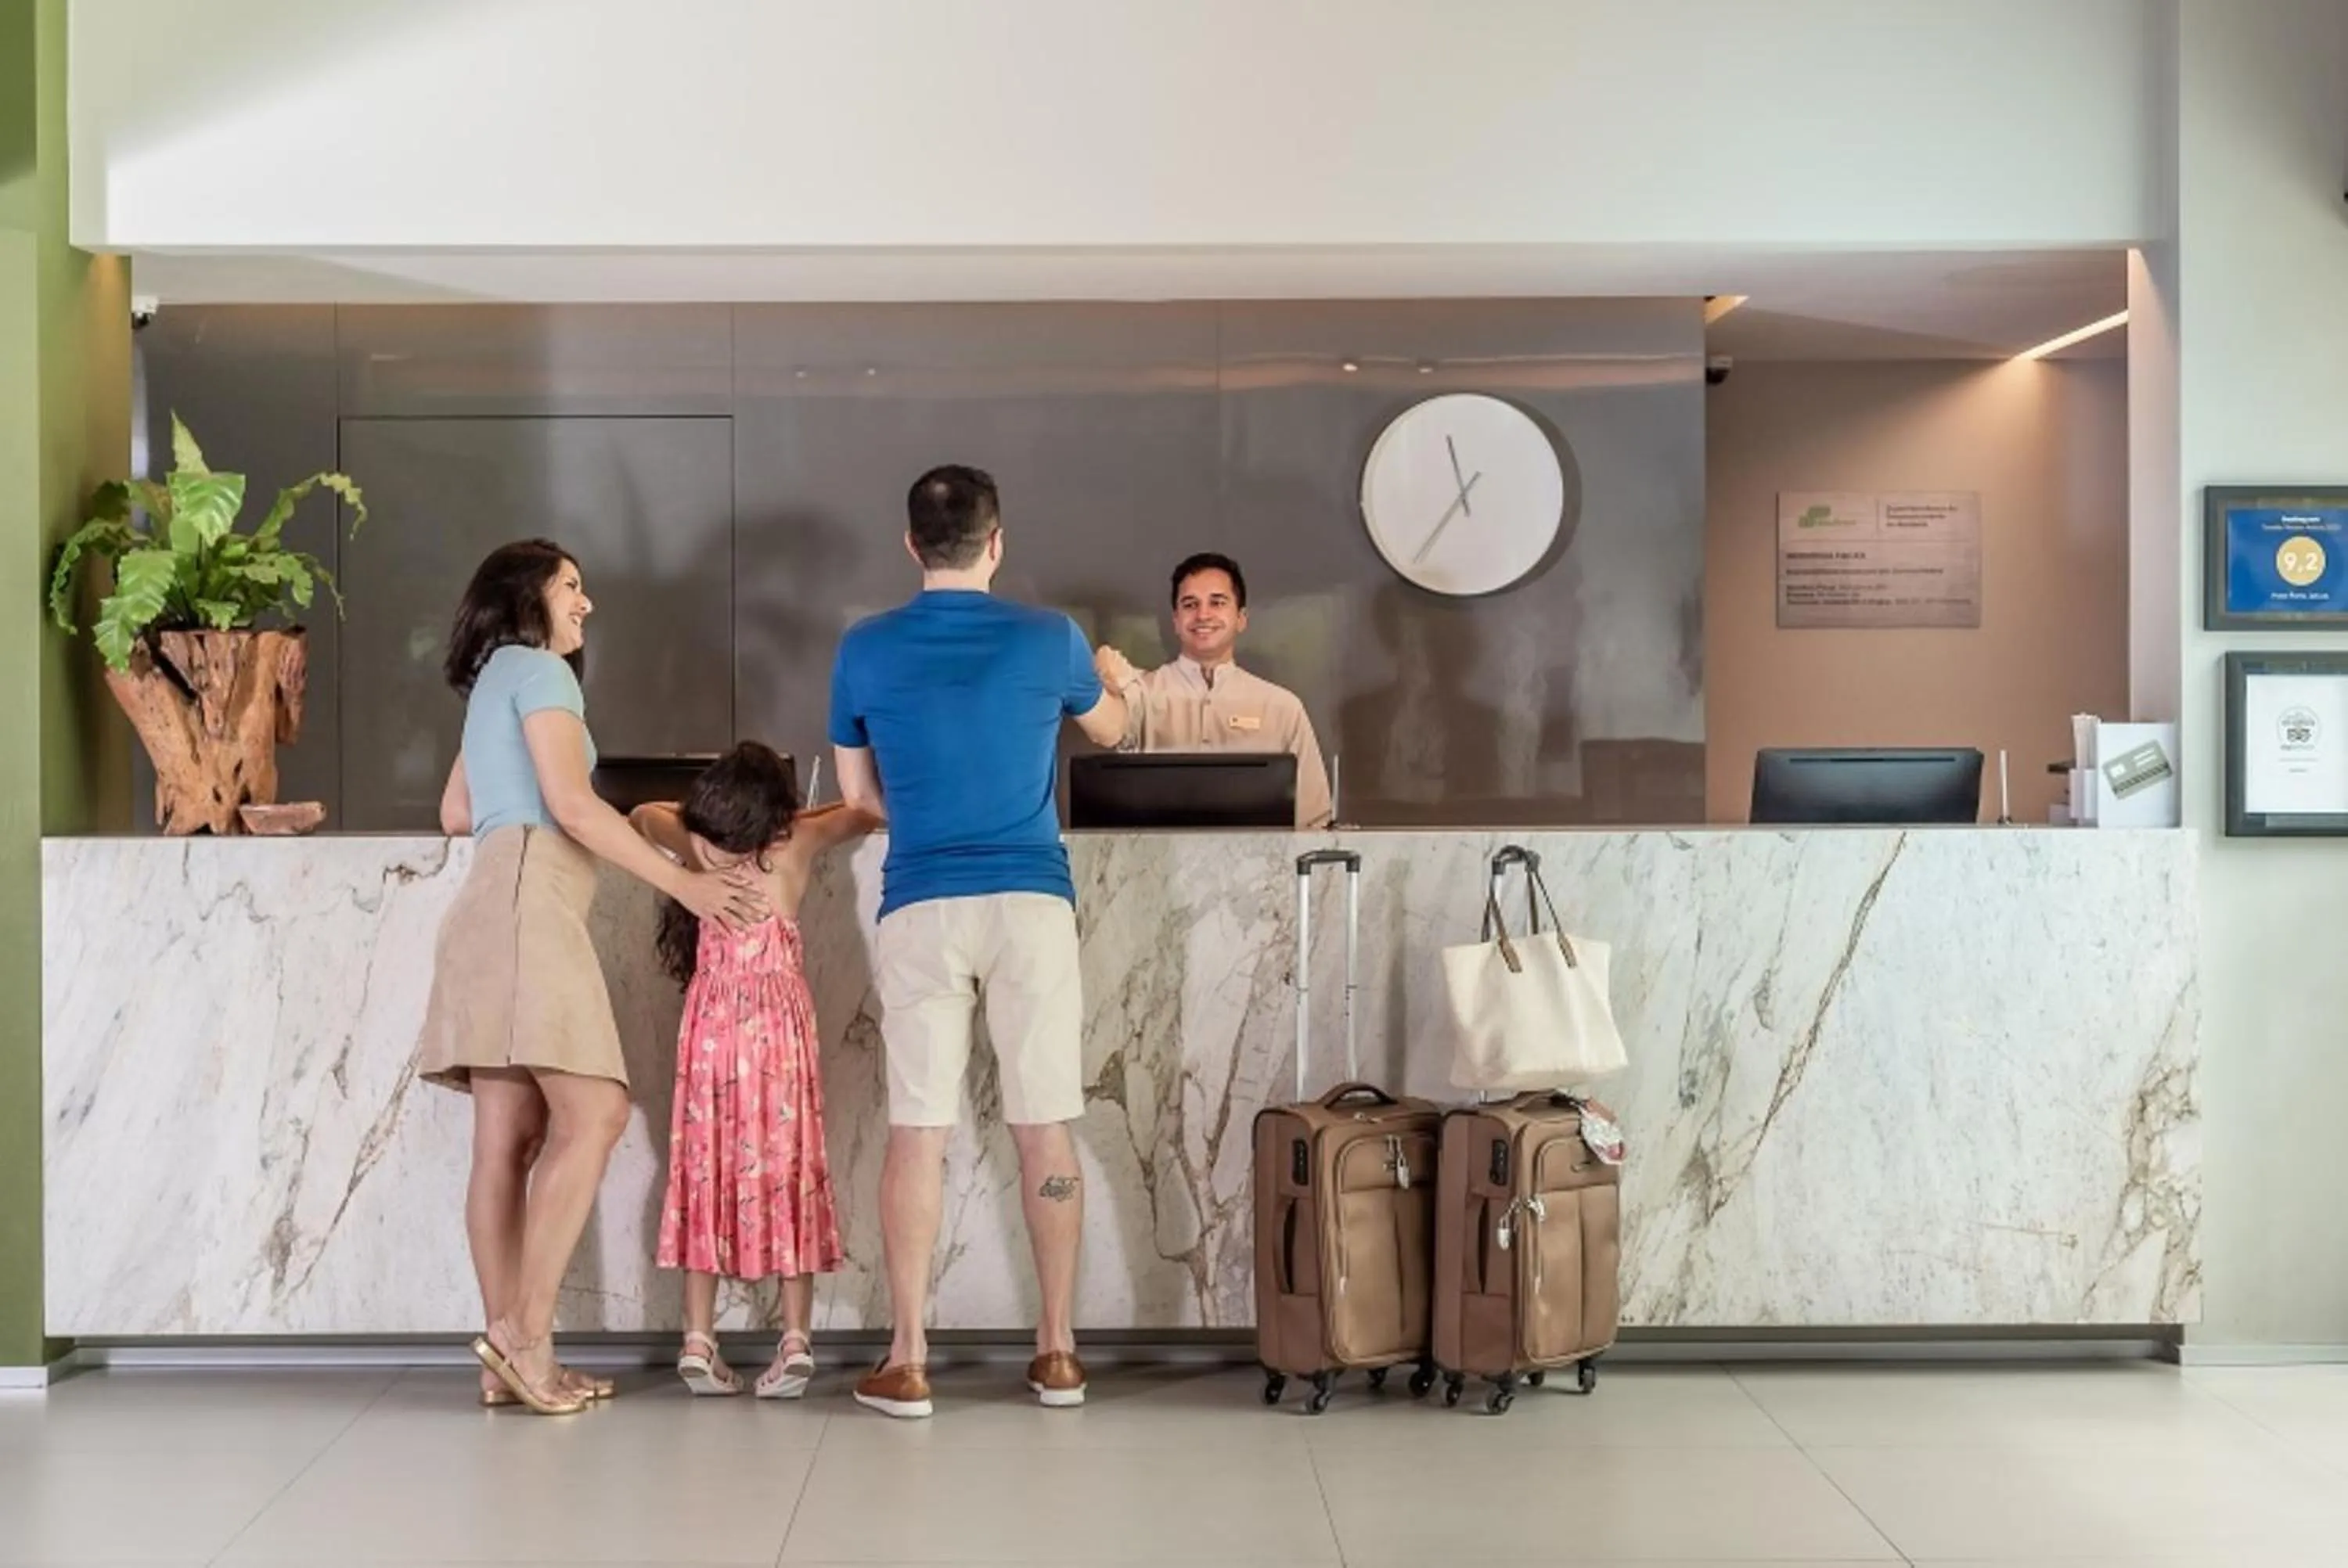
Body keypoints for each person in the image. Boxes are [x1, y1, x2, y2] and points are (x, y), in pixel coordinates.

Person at [417, 539, 769, 1417]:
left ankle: (508, 1357)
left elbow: (456, 811)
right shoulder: (541, 670)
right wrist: (685, 883)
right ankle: (524, 1339)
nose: (586, 602)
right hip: (531, 902)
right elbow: (572, 807)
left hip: (492, 901)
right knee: (598, 1111)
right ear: (527, 596)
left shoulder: (494, 679)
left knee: (506, 1141)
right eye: (571, 586)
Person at [828, 464, 1129, 1419]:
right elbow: (1112, 731)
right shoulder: (1052, 637)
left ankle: (908, 1359)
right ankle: (1059, 1353)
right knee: (1045, 1123)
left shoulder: (863, 648)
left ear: (911, 544)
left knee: (919, 1129)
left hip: (921, 904)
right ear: (997, 542)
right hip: (1032, 904)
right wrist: (1117, 682)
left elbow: (857, 798)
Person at [629, 743, 877, 1399]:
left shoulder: (696, 846)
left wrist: (695, 827)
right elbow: (864, 810)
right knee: (791, 1169)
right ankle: (794, 1340)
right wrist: (804, 816)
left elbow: (643, 813)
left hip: (711, 1031)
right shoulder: (794, 845)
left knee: (703, 1168)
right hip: (780, 1034)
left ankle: (697, 1340)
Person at [1093, 552, 1334, 829]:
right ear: (1176, 620)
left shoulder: (1282, 707)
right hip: (1156, 855)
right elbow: (1104, 731)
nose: (1203, 615)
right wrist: (1102, 675)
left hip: (1258, 857)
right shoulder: (1139, 695)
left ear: (1241, 618)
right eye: (1190, 604)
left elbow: (1313, 820)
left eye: (1217, 602)